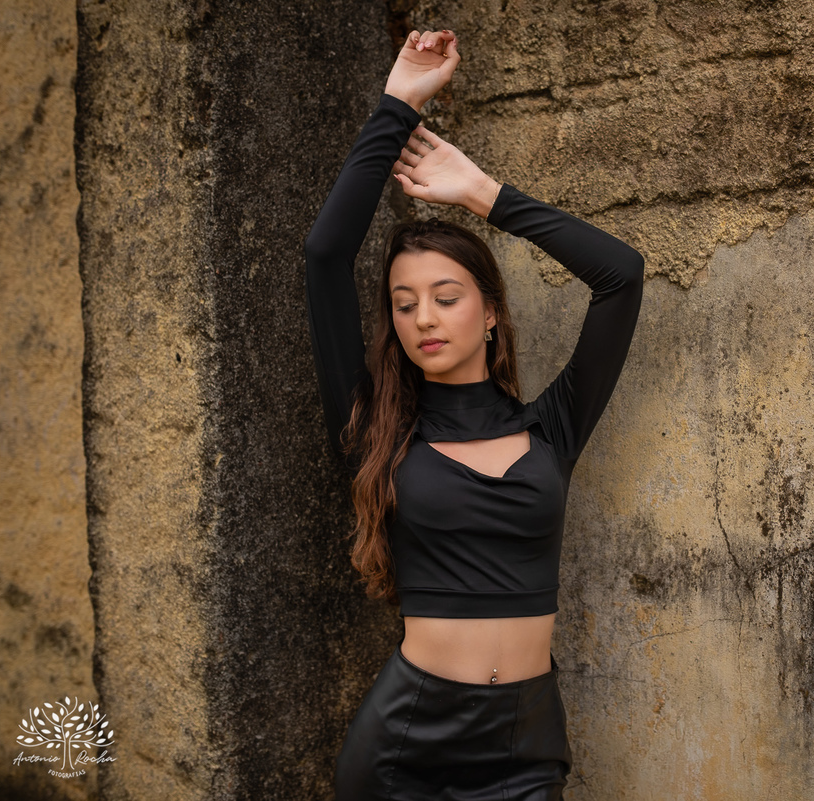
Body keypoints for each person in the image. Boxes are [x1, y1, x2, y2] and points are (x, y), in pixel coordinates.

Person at [304, 25, 644, 801]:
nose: (424, 316)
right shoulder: (377, 432)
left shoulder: (551, 428)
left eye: (446, 296)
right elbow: (324, 258)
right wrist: (398, 102)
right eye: (404, 303)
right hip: (404, 748)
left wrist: (483, 194)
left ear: (490, 311)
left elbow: (621, 275)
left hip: (526, 745)